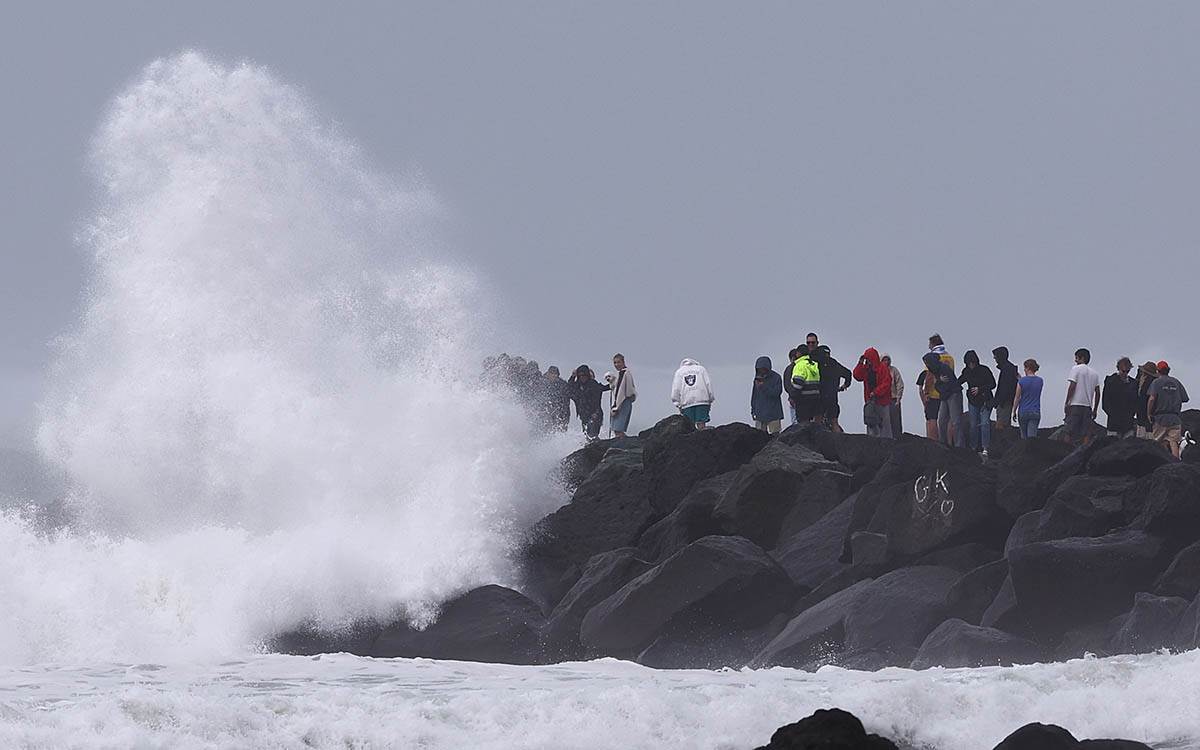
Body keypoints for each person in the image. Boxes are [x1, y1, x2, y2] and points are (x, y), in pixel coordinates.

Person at [1147, 361, 1190, 458]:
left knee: (1158, 443)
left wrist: (1149, 413)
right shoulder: (1176, 382)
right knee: (1173, 442)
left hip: (1160, 418)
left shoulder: (1156, 382)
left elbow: (1152, 398)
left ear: (1158, 371)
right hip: (1175, 418)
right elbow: (1185, 398)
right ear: (1168, 370)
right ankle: (1175, 463)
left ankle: (1162, 463)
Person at [960, 350, 997, 457]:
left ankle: (985, 448)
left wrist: (979, 389)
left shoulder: (984, 370)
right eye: (969, 363)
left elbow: (993, 384)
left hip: (986, 400)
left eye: (972, 363)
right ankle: (973, 448)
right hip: (973, 401)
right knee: (973, 425)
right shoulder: (966, 371)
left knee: (985, 424)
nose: (971, 365)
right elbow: (959, 381)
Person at [928, 335, 961, 447]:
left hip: (948, 393)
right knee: (945, 420)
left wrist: (926, 391)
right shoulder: (949, 358)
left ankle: (957, 445)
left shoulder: (935, 361)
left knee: (953, 421)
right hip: (944, 394)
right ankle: (946, 444)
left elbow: (930, 378)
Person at [853, 347, 893, 438]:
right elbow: (857, 376)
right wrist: (860, 363)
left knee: (884, 425)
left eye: (868, 358)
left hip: (882, 402)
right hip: (870, 401)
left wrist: (876, 392)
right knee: (871, 422)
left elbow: (886, 383)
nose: (867, 360)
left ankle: (887, 444)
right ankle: (872, 443)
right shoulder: (866, 368)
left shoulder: (883, 368)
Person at [1064, 348, 1101, 446]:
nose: (1075, 361)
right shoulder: (1095, 373)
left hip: (1075, 404)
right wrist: (1095, 408)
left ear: (1082, 358)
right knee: (1086, 433)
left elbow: (1072, 386)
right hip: (1088, 406)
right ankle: (1084, 451)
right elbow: (1098, 392)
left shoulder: (1075, 369)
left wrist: (1067, 402)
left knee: (1069, 431)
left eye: (1076, 358)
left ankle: (1066, 450)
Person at [814, 345, 852, 432]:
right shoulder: (834, 363)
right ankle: (839, 442)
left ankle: (818, 443)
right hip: (833, 398)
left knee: (818, 422)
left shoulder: (817, 364)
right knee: (834, 422)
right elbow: (848, 373)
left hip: (820, 397)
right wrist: (845, 385)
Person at [568, 365, 610, 440]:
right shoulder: (577, 385)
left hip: (595, 414)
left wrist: (613, 382)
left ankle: (597, 447)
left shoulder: (593, 384)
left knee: (592, 434)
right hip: (583, 415)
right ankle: (590, 449)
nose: (582, 377)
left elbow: (604, 388)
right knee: (586, 435)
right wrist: (572, 376)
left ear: (587, 375)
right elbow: (569, 389)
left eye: (584, 375)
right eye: (580, 375)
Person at [672, 358, 715, 429]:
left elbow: (676, 388)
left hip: (687, 402)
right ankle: (702, 437)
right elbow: (708, 384)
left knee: (689, 426)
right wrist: (710, 399)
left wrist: (677, 403)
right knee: (701, 423)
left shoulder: (679, 372)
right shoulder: (701, 369)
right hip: (702, 400)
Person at [1101, 357, 1139, 438]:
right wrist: (1112, 415)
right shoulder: (1110, 381)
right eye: (1123, 371)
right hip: (1114, 422)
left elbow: (1135, 401)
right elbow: (1105, 402)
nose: (1125, 373)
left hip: (1128, 423)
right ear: (1118, 369)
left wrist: (1132, 413)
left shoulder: (1134, 383)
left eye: (1127, 371)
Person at [604, 353, 637, 439]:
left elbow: (621, 392)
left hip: (623, 403)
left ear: (623, 362)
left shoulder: (624, 373)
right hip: (625, 402)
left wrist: (615, 407)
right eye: (615, 363)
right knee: (618, 429)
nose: (616, 365)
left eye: (618, 362)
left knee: (617, 429)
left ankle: (623, 447)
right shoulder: (623, 373)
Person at [751, 356, 785, 434]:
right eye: (759, 369)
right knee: (759, 437)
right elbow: (754, 395)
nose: (761, 371)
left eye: (762, 368)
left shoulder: (776, 377)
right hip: (760, 413)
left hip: (773, 413)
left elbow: (776, 393)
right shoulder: (757, 378)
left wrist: (763, 387)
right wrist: (753, 410)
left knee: (775, 437)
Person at [790, 346, 823, 423]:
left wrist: (793, 397)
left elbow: (798, 384)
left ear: (798, 353)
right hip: (815, 399)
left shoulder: (799, 365)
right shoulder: (814, 364)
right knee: (816, 427)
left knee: (803, 427)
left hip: (803, 401)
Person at [1012, 358, 1044, 439]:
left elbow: (1017, 397)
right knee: (1032, 437)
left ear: (1027, 368)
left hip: (1023, 411)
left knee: (1024, 437)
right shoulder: (1040, 380)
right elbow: (1031, 385)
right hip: (1035, 410)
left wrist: (1014, 411)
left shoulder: (1021, 381)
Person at [992, 347, 1019, 432]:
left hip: (1004, 403)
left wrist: (1000, 401)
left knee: (1002, 427)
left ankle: (1003, 444)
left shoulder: (1007, 369)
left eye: (995, 356)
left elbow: (1005, 388)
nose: (994, 358)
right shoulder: (1009, 368)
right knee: (1003, 425)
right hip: (1005, 401)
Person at [541, 366, 571, 431]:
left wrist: (563, 412)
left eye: (555, 374)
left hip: (561, 412)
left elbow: (566, 400)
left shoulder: (562, 384)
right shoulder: (542, 382)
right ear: (548, 373)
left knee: (561, 430)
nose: (553, 375)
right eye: (551, 373)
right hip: (547, 413)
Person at [1135, 361, 1159, 439]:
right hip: (1150, 414)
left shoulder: (1145, 382)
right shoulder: (1155, 382)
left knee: (1142, 436)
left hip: (1143, 413)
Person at [882, 354, 903, 436]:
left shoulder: (894, 370)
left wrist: (898, 398)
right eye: (884, 360)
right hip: (883, 400)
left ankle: (897, 439)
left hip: (893, 399)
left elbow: (899, 384)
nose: (886, 362)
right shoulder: (879, 371)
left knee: (895, 422)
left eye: (888, 360)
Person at [917, 367, 939, 440]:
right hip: (936, 398)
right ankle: (933, 439)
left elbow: (920, 389)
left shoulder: (925, 373)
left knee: (931, 420)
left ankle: (932, 439)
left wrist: (923, 400)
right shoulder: (937, 372)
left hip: (929, 398)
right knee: (932, 420)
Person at [783, 348, 800, 425]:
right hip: (803, 398)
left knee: (795, 423)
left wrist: (791, 396)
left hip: (793, 399)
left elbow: (787, 385)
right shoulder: (801, 367)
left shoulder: (788, 369)